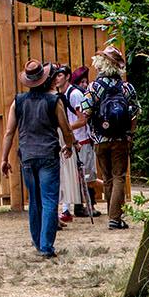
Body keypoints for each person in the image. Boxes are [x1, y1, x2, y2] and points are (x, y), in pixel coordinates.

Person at [0, 60, 75, 259]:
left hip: (27, 156)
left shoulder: (19, 102)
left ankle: (37, 241)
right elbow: (65, 128)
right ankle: (46, 246)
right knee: (49, 200)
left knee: (34, 199)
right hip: (48, 154)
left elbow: (9, 132)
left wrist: (4, 158)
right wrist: (70, 145)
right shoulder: (54, 101)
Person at [78, 46, 140, 230]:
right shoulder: (126, 87)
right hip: (120, 138)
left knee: (107, 178)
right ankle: (115, 217)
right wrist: (130, 134)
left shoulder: (94, 87)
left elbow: (85, 111)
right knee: (119, 176)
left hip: (99, 139)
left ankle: (113, 216)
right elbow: (135, 112)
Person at [66, 66, 100, 218]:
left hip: (79, 138)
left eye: (86, 81)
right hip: (80, 139)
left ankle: (86, 205)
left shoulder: (71, 93)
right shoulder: (76, 95)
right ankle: (87, 206)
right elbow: (82, 119)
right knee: (85, 175)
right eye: (82, 81)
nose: (85, 85)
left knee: (84, 175)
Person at [52, 65, 83, 227]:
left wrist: (69, 134)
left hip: (72, 138)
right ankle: (65, 209)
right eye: (55, 75)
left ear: (68, 76)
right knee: (64, 175)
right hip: (64, 138)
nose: (57, 78)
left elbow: (82, 119)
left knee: (71, 175)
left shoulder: (74, 94)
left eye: (60, 75)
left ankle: (67, 209)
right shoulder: (58, 96)